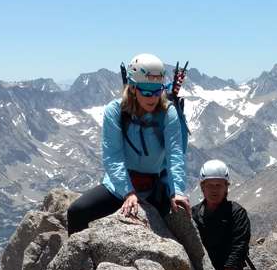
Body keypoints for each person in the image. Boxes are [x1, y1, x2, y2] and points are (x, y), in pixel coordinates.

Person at [66, 53, 190, 234]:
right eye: (146, 91)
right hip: (119, 186)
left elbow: (175, 155)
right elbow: (113, 156)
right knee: (77, 212)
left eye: (157, 91)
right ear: (132, 88)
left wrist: (177, 191)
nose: (152, 98)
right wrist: (128, 192)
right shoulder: (115, 111)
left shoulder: (168, 112)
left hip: (155, 187)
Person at [192, 159, 251, 270]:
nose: (214, 190)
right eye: (210, 185)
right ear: (202, 187)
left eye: (219, 185)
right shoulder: (194, 213)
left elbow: (239, 249)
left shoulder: (237, 213)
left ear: (226, 187)